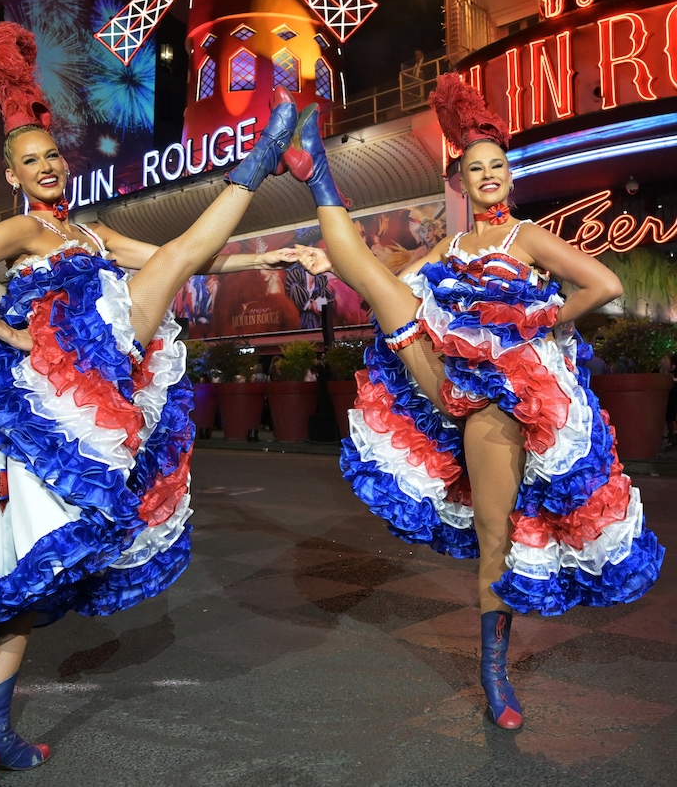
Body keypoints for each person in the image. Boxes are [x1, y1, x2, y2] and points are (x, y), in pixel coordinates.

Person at [0, 21, 300, 786]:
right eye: (31, 161)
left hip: (96, 386)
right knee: (26, 576)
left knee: (31, 578)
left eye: (52, 157)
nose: (46, 168)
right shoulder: (19, 229)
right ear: (14, 175)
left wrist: (264, 254)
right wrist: (0, 333)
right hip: (55, 391)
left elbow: (180, 260)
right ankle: (262, 157)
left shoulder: (93, 230)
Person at [281, 76, 664, 730]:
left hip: (508, 400)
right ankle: (315, 175)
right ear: (459, 179)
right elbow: (393, 267)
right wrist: (329, 264)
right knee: (381, 285)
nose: (487, 176)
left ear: (508, 178)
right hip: (446, 379)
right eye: (474, 168)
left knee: (497, 535)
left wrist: (545, 319)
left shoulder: (524, 237)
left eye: (496, 167)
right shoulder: (449, 247)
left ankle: (494, 669)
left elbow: (602, 282)